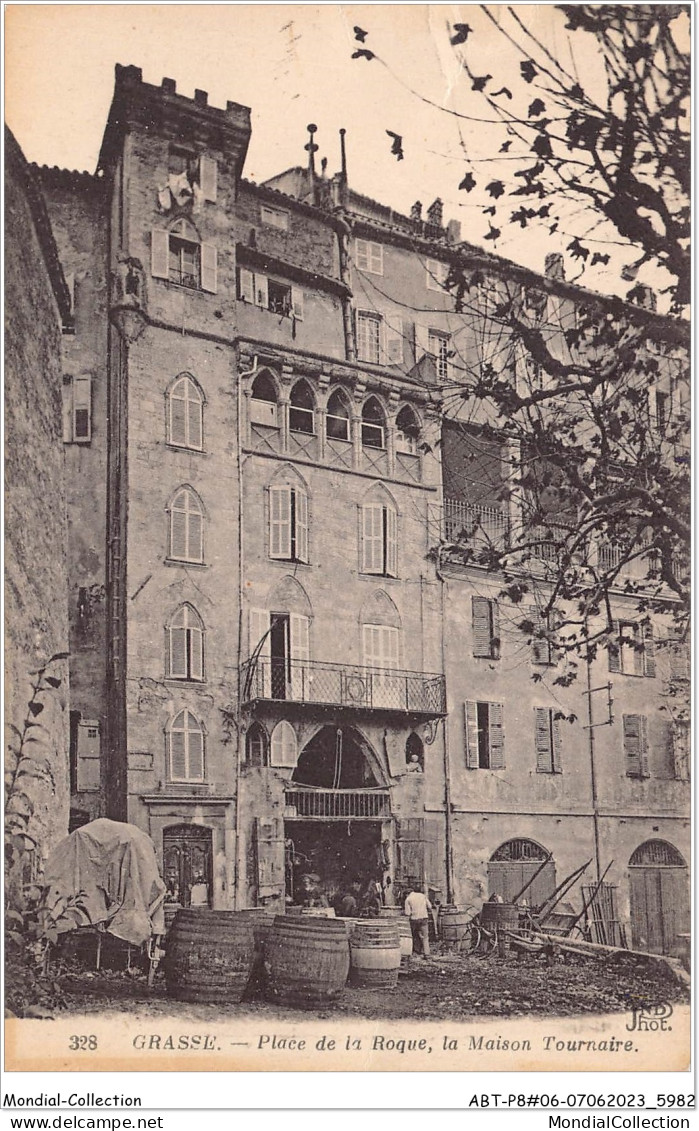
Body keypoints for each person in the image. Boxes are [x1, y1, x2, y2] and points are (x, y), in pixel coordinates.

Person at [404, 881, 432, 957]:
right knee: (425, 937)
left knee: (413, 935)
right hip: (424, 918)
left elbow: (407, 913)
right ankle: (426, 953)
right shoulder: (423, 896)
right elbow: (430, 906)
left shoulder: (408, 899)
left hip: (414, 919)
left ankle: (415, 951)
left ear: (407, 893)